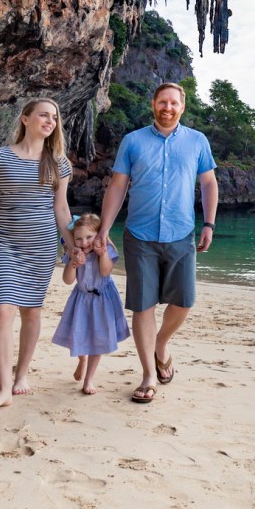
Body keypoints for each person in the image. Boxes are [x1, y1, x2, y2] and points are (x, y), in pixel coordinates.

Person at [94, 82, 218, 404]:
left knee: (185, 302)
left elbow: (208, 183)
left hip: (182, 233)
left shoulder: (197, 142)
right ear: (153, 104)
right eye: (162, 102)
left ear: (183, 106)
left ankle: (161, 344)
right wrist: (104, 228)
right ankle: (149, 374)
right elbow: (118, 186)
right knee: (143, 305)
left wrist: (209, 224)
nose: (168, 108)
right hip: (140, 235)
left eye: (174, 103)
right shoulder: (133, 142)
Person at [0, 98, 74, 412]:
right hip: (2, 245)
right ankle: (4, 388)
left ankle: (22, 375)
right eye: (43, 115)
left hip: (41, 249)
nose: (50, 121)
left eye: (54, 117)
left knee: (32, 313)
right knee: (2, 311)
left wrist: (72, 246)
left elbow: (61, 209)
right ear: (25, 119)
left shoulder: (59, 163)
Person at [52, 213, 130, 395]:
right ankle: (82, 359)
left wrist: (102, 254)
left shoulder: (106, 251)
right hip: (81, 300)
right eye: (78, 239)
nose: (84, 242)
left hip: (102, 299)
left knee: (98, 340)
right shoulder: (74, 254)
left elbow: (105, 272)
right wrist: (72, 264)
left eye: (89, 237)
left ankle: (89, 379)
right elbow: (67, 281)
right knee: (78, 334)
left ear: (98, 236)